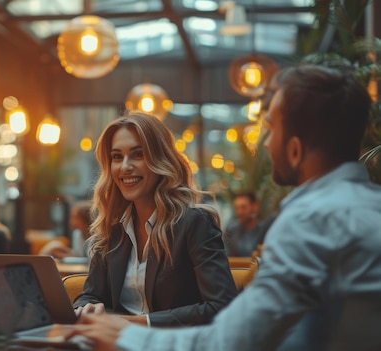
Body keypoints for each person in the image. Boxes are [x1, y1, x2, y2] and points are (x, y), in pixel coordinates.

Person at [68, 65, 381, 350]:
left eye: (269, 128)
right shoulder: (366, 207)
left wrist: (125, 334)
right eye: (116, 157)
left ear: (296, 149)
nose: (264, 143)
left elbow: (231, 340)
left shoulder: (310, 222)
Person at [72, 111, 237, 328]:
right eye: (117, 157)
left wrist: (137, 323)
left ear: (160, 159)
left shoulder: (195, 223)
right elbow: (90, 295)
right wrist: (87, 306)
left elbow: (222, 306)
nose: (125, 166)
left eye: (138, 154)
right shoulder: (113, 229)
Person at [223, 191, 274, 257]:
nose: (239, 212)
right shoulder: (231, 231)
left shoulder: (266, 231)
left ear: (255, 207)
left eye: (243, 207)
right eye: (236, 208)